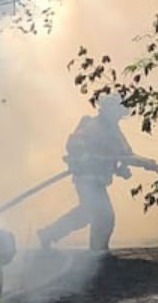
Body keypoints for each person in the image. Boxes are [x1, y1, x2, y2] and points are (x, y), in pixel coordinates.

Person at [36, 94, 139, 252]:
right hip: (86, 179)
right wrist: (87, 159)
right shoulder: (92, 125)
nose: (119, 116)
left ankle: (49, 233)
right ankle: (98, 252)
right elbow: (75, 145)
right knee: (104, 215)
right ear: (107, 110)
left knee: (86, 213)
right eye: (117, 111)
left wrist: (122, 168)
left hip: (98, 180)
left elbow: (125, 153)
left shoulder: (114, 130)